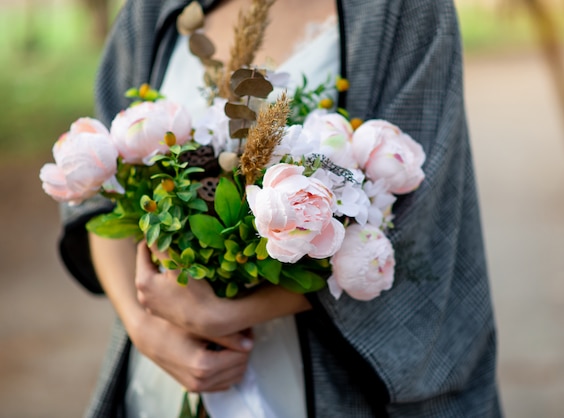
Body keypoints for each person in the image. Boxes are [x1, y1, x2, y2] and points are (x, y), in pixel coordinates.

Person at [59, 0, 501, 416]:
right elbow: (102, 189)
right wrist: (145, 327)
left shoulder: (402, 12)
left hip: (325, 383)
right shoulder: (154, 7)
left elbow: (419, 218)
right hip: (162, 370)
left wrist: (224, 315)